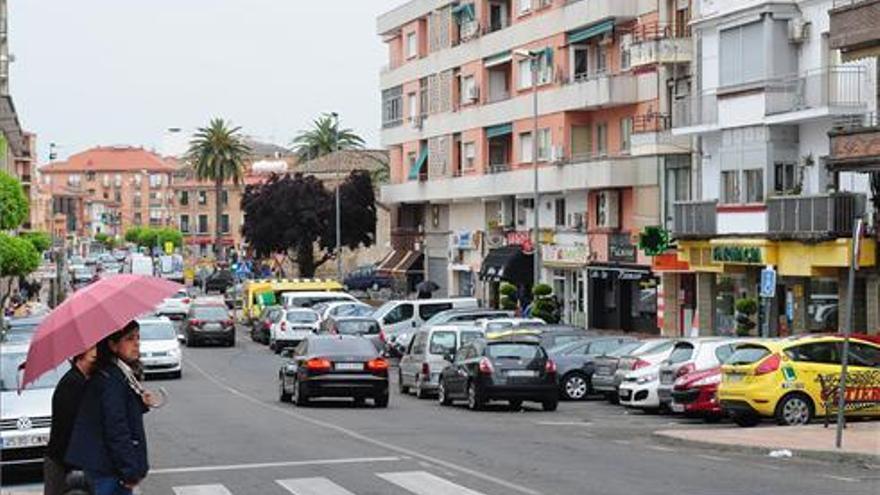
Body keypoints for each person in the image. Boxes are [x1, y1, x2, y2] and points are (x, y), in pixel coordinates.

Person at [66, 321, 158, 495]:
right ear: (113, 345)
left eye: (138, 337)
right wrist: (130, 470)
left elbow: (118, 412)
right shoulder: (111, 378)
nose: (137, 343)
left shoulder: (117, 373)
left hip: (108, 466)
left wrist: (139, 403)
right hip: (107, 468)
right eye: (130, 339)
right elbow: (116, 427)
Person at [44, 346, 98, 495]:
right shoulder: (73, 383)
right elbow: (69, 427)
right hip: (62, 462)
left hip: (66, 459)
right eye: (93, 348)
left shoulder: (82, 380)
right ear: (80, 354)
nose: (98, 353)